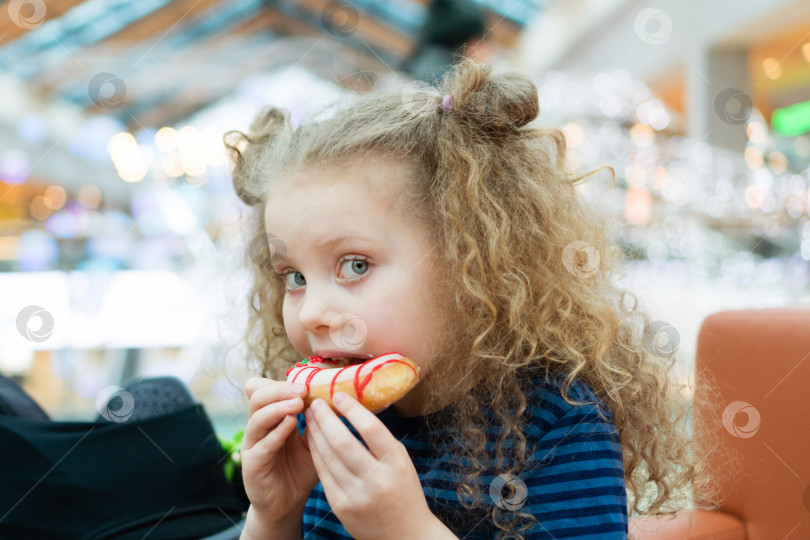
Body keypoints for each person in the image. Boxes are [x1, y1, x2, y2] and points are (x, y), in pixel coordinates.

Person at [224, 59, 719, 539]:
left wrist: (405, 531)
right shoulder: (328, 424)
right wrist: (273, 518)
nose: (311, 313)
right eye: (292, 276)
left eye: (355, 265)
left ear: (469, 264)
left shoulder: (559, 421)